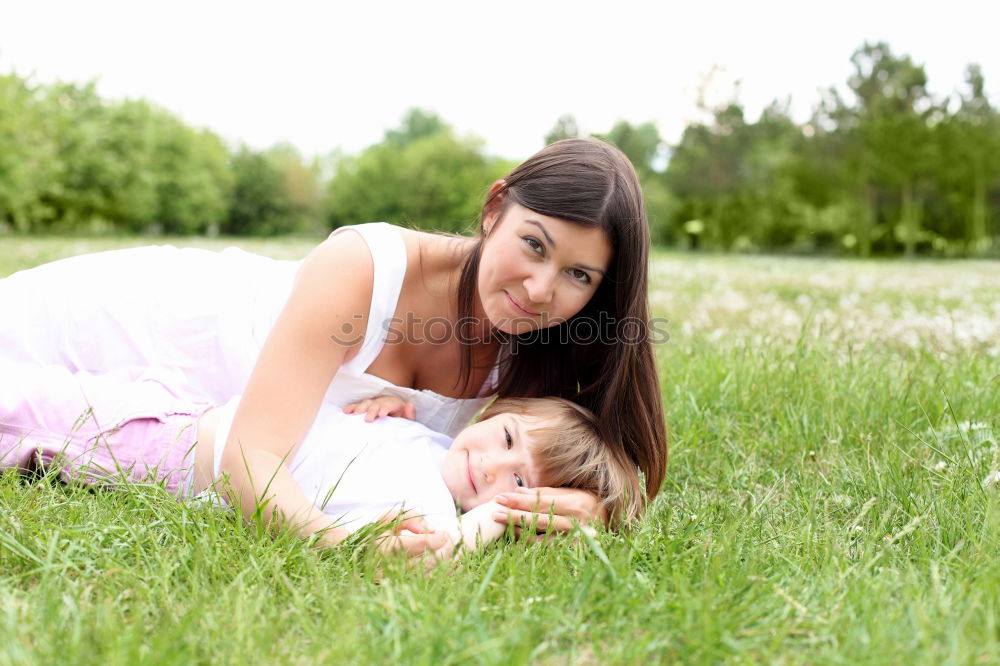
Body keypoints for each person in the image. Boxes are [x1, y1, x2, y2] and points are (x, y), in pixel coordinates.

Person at [0, 138, 667, 555]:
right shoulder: (365, 265)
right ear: (495, 209)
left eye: (578, 275)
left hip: (186, 411)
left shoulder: (541, 347)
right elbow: (251, 455)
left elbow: (595, 461)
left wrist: (572, 509)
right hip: (140, 323)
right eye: (533, 244)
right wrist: (341, 546)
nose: (540, 289)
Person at [0, 362, 639, 557]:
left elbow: (427, 562)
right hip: (182, 411)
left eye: (517, 483)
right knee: (35, 388)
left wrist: (486, 523)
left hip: (163, 451)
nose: (493, 468)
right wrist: (388, 407)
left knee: (23, 410)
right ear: (496, 415)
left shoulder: (433, 513)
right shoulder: (432, 442)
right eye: (505, 441)